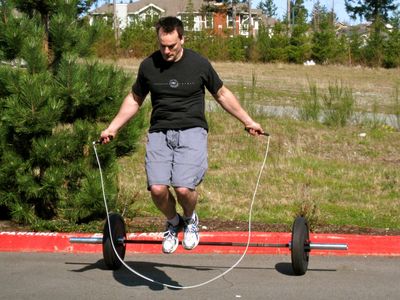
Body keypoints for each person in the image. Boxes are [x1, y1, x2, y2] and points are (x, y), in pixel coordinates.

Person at [100, 16, 264, 254]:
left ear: (182, 39)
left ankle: (190, 219)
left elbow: (222, 94)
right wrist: (113, 127)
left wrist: (248, 121)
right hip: (159, 131)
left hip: (192, 130)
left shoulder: (198, 64)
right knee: (157, 189)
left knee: (183, 187)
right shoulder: (148, 66)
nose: (166, 51)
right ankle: (173, 222)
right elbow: (135, 99)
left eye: (172, 46)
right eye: (162, 46)